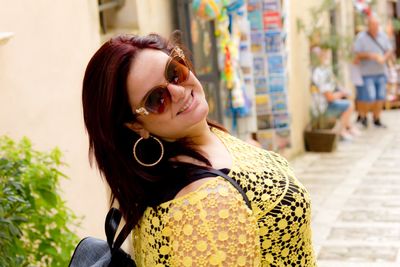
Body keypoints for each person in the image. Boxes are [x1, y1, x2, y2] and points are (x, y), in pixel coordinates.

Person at [82, 33, 316, 266]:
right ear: (135, 125)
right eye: (156, 99)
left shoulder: (204, 142)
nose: (179, 92)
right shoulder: (205, 205)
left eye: (175, 73)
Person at [312, 47, 360, 141]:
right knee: (349, 105)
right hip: (323, 109)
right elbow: (329, 97)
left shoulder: (320, 71)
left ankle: (348, 127)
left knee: (346, 102)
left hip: (323, 106)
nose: (325, 57)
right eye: (323, 55)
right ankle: (342, 131)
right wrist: (341, 94)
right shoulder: (320, 73)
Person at [353, 15, 393, 128]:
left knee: (380, 97)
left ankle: (377, 119)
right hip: (366, 73)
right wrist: (371, 56)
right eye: (372, 24)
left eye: (376, 24)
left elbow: (389, 50)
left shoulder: (383, 36)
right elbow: (356, 54)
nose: (375, 26)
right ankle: (364, 117)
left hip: (381, 72)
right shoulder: (361, 37)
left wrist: (384, 58)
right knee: (368, 97)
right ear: (368, 25)